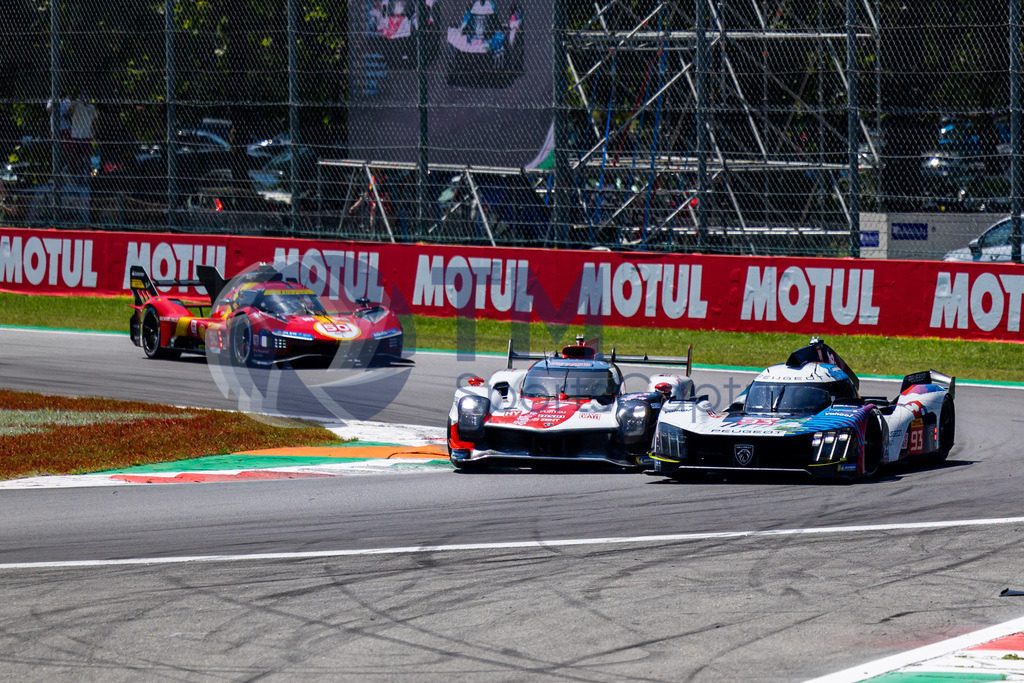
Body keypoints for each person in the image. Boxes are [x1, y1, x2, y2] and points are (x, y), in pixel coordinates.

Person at [67, 91, 98, 177]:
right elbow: (68, 109)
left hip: (87, 134)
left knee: (87, 155)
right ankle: (77, 173)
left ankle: (87, 174)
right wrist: (77, 101)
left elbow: (95, 121)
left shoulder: (91, 107)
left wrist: (94, 132)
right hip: (76, 134)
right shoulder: (77, 106)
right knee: (76, 155)